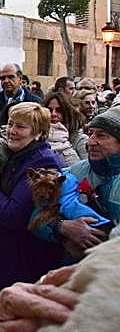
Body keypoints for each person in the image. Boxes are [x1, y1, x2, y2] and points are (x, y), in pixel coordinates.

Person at [0, 102, 64, 315]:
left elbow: (12, 215)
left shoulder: (41, 164)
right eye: (10, 124)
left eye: (20, 127)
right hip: (2, 259)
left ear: (39, 133)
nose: (11, 131)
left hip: (20, 265)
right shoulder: (17, 156)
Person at [56, 106, 120, 256]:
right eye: (90, 134)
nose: (91, 142)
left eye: (101, 135)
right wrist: (61, 226)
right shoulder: (75, 172)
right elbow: (38, 211)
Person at [0, 63, 41, 135]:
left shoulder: (35, 103)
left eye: (11, 77)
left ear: (20, 79)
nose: (6, 81)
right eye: (2, 78)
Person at [42, 92, 88, 160]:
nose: (53, 114)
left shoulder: (80, 140)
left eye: (59, 110)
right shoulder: (39, 138)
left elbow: (87, 167)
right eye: (50, 110)